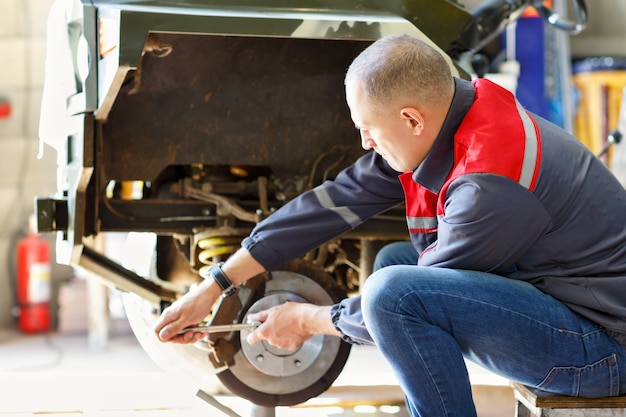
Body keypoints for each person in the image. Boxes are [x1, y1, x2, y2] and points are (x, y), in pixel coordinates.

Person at [155, 33, 626, 416]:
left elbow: (406, 298)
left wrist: (308, 321)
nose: (364, 143)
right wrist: (215, 285)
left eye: (369, 130)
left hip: (604, 349)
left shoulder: (489, 182)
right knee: (393, 262)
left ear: (410, 119)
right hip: (564, 301)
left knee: (393, 293)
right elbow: (335, 201)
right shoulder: (453, 118)